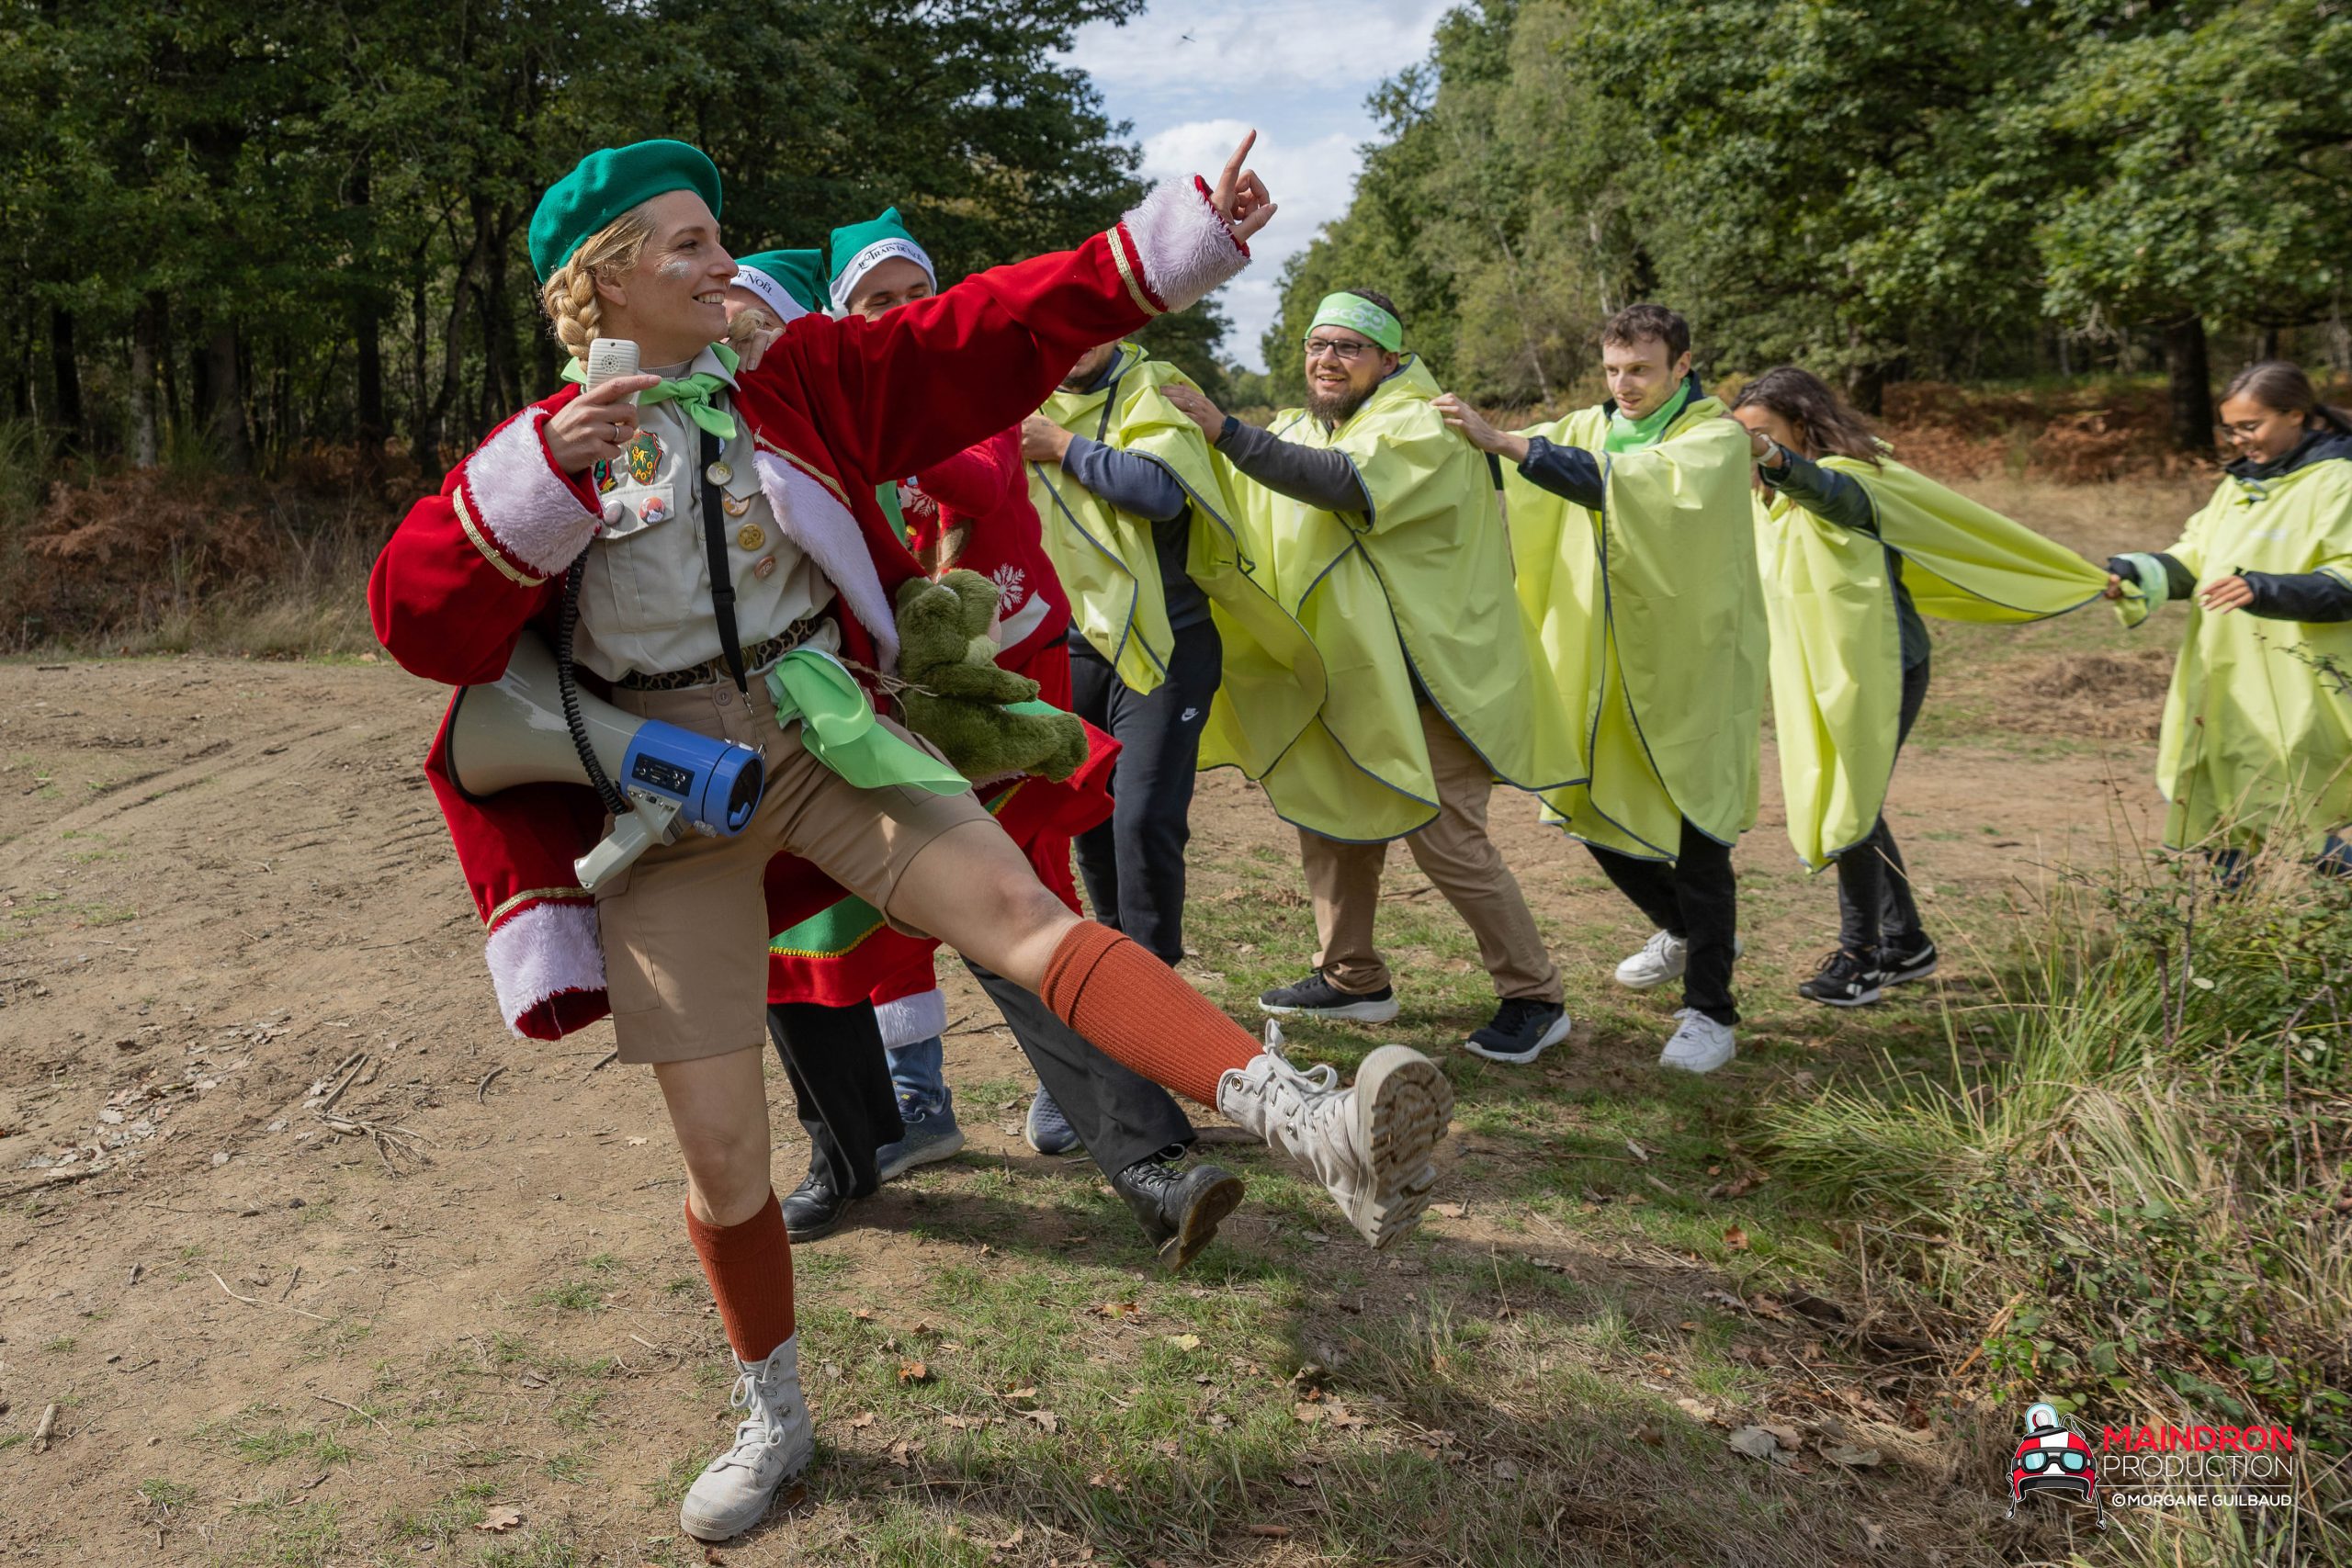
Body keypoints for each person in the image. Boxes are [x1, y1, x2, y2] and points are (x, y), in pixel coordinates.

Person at [369, 137, 1454, 1545]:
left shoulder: (797, 378)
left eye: (719, 239)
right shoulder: (544, 443)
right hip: (665, 795)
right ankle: (774, 1409)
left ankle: (1312, 1122)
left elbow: (985, 330)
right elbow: (414, 619)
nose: (725, 265)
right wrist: (540, 475)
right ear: (609, 277)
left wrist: (1166, 245)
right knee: (724, 1161)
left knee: (1026, 914)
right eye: (691, 244)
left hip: (827, 727)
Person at [724, 254, 1248, 1269]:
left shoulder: (853, 401)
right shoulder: (671, 428)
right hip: (764, 725)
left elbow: (969, 472)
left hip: (915, 707)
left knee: (1011, 916)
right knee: (795, 952)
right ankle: (849, 1154)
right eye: (721, 312)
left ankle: (1150, 1160)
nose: (735, 333)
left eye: (754, 317)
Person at [1161, 289, 1582, 1066]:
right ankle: (1352, 976)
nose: (1328, 359)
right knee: (1332, 819)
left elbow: (1339, 482)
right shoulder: (1311, 424)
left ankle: (1536, 995)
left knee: (1447, 838)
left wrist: (1226, 430)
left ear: (1390, 358)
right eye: (1318, 344)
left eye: (1349, 347)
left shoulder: (1424, 422)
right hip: (1353, 675)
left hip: (1433, 674)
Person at [1732, 366, 2128, 1004]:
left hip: (1883, 667)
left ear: (1800, 428)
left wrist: (1774, 461)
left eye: (1763, 435)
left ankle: (1861, 957)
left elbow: (1834, 497)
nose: (1750, 449)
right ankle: (1906, 941)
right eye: (1743, 438)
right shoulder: (1763, 502)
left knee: (1852, 800)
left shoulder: (1853, 481)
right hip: (1818, 671)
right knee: (1854, 797)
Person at [1438, 303, 1760, 1073]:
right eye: (1613, 369)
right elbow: (1525, 458)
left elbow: (1620, 485)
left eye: (1641, 369)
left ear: (1683, 365)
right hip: (1602, 666)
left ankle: (1712, 1011)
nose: (1624, 385)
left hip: (1692, 668)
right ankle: (1688, 932)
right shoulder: (1591, 424)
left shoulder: (1714, 437)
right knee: (1583, 807)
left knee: (1699, 833)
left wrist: (1506, 441)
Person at [1022, 338, 1321, 976]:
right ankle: (1118, 967)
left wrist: (1063, 446)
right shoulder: (1021, 400)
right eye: (1063, 327)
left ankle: (1155, 977)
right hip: (1072, 647)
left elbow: (1157, 491)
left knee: (1143, 818)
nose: (1077, 341)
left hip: (1169, 645)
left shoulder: (1153, 387)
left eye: (1092, 325)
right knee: (1089, 817)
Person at [2103, 359, 2352, 869]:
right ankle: (2230, 917)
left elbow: (2347, 578)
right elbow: (2196, 556)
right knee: (2221, 805)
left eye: (2250, 426)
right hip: (2223, 677)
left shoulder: (2338, 482)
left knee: (2285, 814)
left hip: (2296, 684)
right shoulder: (2239, 486)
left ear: (2295, 414)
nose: (2238, 440)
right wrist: (2137, 571)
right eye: (2230, 429)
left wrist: (2264, 589)